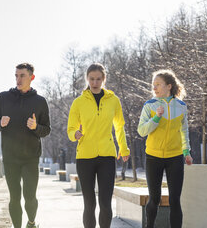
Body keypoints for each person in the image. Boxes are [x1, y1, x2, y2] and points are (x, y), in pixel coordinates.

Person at [67, 63, 130, 228]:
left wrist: (123, 148)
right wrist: (75, 134)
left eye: (98, 79)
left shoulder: (113, 101)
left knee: (105, 203)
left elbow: (119, 127)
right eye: (91, 79)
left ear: (104, 79)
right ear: (87, 79)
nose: (95, 82)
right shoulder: (78, 102)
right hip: (85, 157)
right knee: (89, 204)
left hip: (107, 156)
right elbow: (71, 128)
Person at [0, 63, 51, 228]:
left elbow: (46, 130)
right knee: (14, 197)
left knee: (30, 196)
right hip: (10, 157)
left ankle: (31, 223)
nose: (18, 79)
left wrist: (35, 127)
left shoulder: (40, 101)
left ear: (31, 77)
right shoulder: (3, 98)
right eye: (16, 75)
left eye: (22, 75)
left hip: (31, 157)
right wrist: (0, 124)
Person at [137, 69, 193, 228]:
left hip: (175, 157)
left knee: (175, 200)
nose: (154, 88)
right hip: (153, 157)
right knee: (155, 198)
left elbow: (184, 130)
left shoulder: (181, 106)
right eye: (153, 85)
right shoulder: (150, 105)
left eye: (158, 84)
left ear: (169, 86)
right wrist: (156, 117)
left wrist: (186, 152)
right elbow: (142, 131)